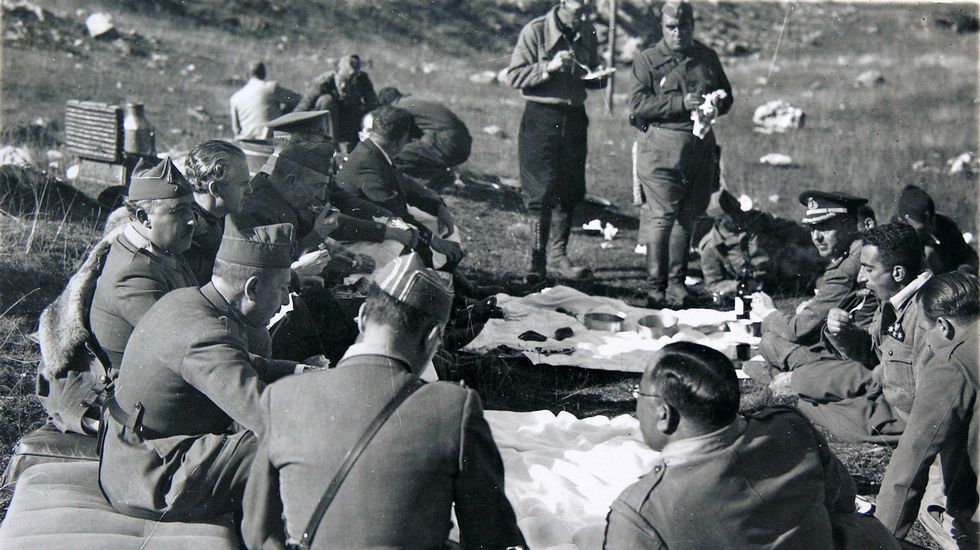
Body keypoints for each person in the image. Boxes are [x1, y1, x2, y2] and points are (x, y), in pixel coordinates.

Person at [241, 253, 526, 549]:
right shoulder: (454, 408)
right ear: (431, 337)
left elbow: (258, 531)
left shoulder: (282, 397)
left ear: (363, 316)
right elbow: (491, 536)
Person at [98, 219, 310, 521]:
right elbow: (266, 419)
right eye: (282, 288)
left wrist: (301, 372)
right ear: (252, 288)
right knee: (292, 443)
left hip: (136, 453)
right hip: (153, 476)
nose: (287, 299)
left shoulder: (190, 302)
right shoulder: (203, 333)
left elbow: (241, 360)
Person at [603, 341, 898, 549]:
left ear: (664, 415)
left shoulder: (641, 512)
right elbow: (843, 500)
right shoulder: (788, 427)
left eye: (639, 393)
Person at [629, 0, 733, 307]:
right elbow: (636, 107)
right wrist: (678, 105)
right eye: (671, 27)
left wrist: (717, 102)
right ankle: (655, 288)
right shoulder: (647, 60)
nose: (678, 33)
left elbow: (727, 96)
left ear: (692, 26)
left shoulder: (706, 57)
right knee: (661, 217)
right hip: (661, 149)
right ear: (662, 27)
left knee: (687, 217)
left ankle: (677, 284)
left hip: (700, 149)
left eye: (684, 27)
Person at [790, 223, 933, 444]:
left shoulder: (928, 314)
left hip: (905, 417)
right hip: (883, 389)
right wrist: (844, 334)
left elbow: (934, 399)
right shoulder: (893, 296)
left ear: (897, 273)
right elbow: (875, 352)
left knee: (812, 407)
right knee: (806, 389)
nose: (860, 278)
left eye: (869, 269)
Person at [505, 0, 609, 282]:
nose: (585, 9)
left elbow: (588, 76)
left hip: (574, 117)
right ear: (563, 2)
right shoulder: (535, 31)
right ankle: (536, 262)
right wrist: (548, 67)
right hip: (542, 117)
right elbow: (513, 75)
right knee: (540, 195)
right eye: (579, 5)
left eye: (589, 4)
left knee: (570, 191)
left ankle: (559, 257)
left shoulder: (588, 32)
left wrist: (598, 74)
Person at [876, 272, 979, 548]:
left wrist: (878, 541)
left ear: (944, 326)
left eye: (924, 331)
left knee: (932, 509)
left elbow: (910, 464)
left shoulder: (951, 360)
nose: (928, 344)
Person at [89, 157, 198, 376]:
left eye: (191, 209)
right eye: (178, 211)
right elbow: (182, 343)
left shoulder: (161, 246)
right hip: (131, 389)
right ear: (143, 217)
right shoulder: (133, 272)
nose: (192, 220)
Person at [753, 191, 872, 370]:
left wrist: (769, 313)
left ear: (849, 225)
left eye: (824, 226)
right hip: (856, 346)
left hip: (855, 359)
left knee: (769, 343)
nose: (816, 237)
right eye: (812, 228)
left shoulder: (848, 266)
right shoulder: (861, 249)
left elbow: (797, 330)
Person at [335, 105, 464, 269]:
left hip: (376, 225)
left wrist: (437, 204)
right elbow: (398, 215)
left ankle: (449, 277)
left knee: (433, 222)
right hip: (356, 238)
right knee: (409, 240)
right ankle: (439, 280)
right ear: (402, 140)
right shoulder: (370, 162)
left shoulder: (373, 150)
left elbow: (404, 183)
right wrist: (433, 241)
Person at [697, 189, 823, 296]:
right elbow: (713, 284)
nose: (739, 215)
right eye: (733, 214)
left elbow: (792, 230)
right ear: (720, 220)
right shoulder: (712, 247)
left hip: (784, 274)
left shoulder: (757, 219)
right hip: (753, 290)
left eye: (738, 210)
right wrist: (739, 286)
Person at [183, 139, 253, 284]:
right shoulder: (188, 235)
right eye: (243, 184)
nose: (250, 191)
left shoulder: (221, 216)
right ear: (215, 189)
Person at [376, 86, 473, 191]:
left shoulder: (400, 108)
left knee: (392, 155)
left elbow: (397, 137)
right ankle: (442, 176)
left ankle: (392, 188)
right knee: (411, 152)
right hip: (463, 143)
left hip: (446, 141)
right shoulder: (414, 100)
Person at [296, 54, 378, 153]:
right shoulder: (322, 82)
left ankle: (358, 150)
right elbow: (303, 106)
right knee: (326, 100)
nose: (344, 85)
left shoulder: (362, 79)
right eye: (342, 80)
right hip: (325, 128)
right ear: (336, 72)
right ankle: (332, 147)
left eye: (350, 80)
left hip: (350, 125)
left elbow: (374, 105)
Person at [894, 184, 978, 275]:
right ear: (903, 221)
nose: (931, 230)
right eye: (923, 229)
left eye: (932, 223)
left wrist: (964, 270)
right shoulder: (894, 236)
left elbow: (967, 256)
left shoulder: (945, 225)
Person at [229, 61, 300, 141]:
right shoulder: (271, 87)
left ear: (247, 75)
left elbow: (236, 130)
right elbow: (298, 99)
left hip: (246, 141)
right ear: (264, 73)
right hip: (270, 141)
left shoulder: (235, 98)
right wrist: (283, 115)